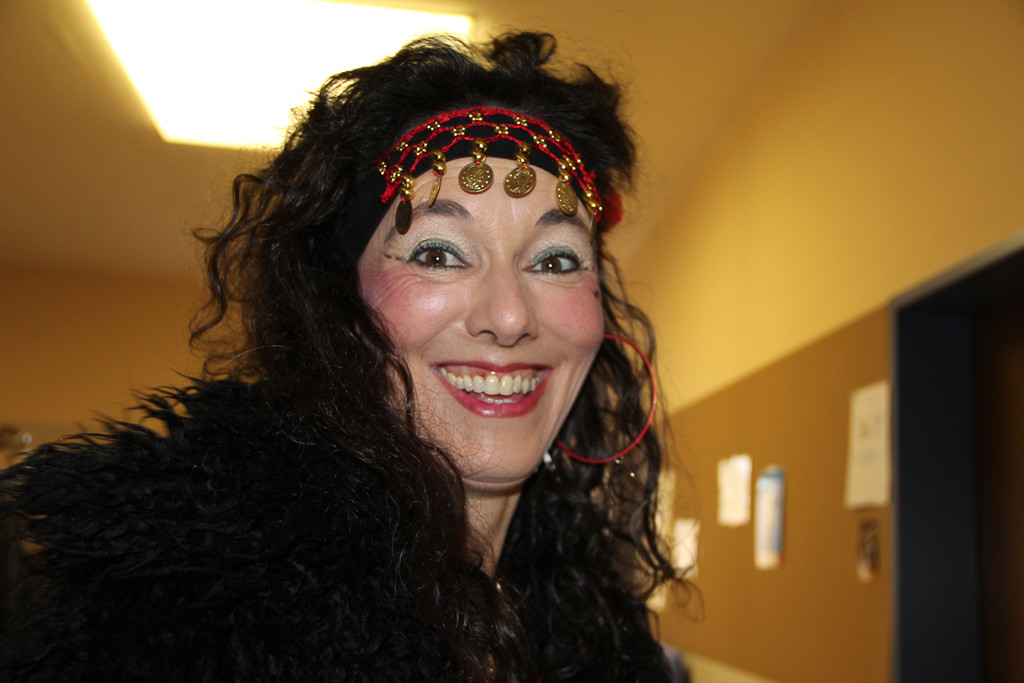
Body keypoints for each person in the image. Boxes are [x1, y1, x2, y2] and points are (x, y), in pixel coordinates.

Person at [0, 32, 683, 681]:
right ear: (337, 308)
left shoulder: (602, 638)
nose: (509, 316)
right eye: (437, 253)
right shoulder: (178, 615)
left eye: (556, 260)